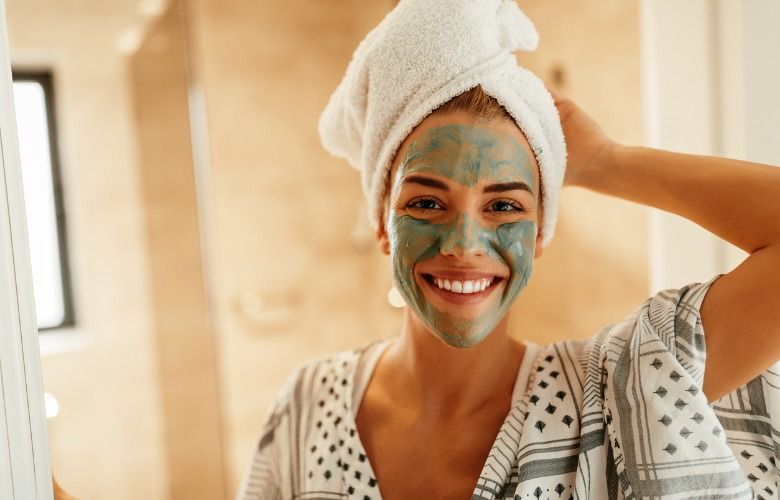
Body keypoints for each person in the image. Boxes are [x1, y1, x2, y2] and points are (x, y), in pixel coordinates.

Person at [237, 1, 780, 498]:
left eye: (504, 207)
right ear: (382, 223)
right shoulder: (308, 403)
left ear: (540, 233)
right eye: (427, 203)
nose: (465, 244)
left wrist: (605, 162)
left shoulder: (619, 396)